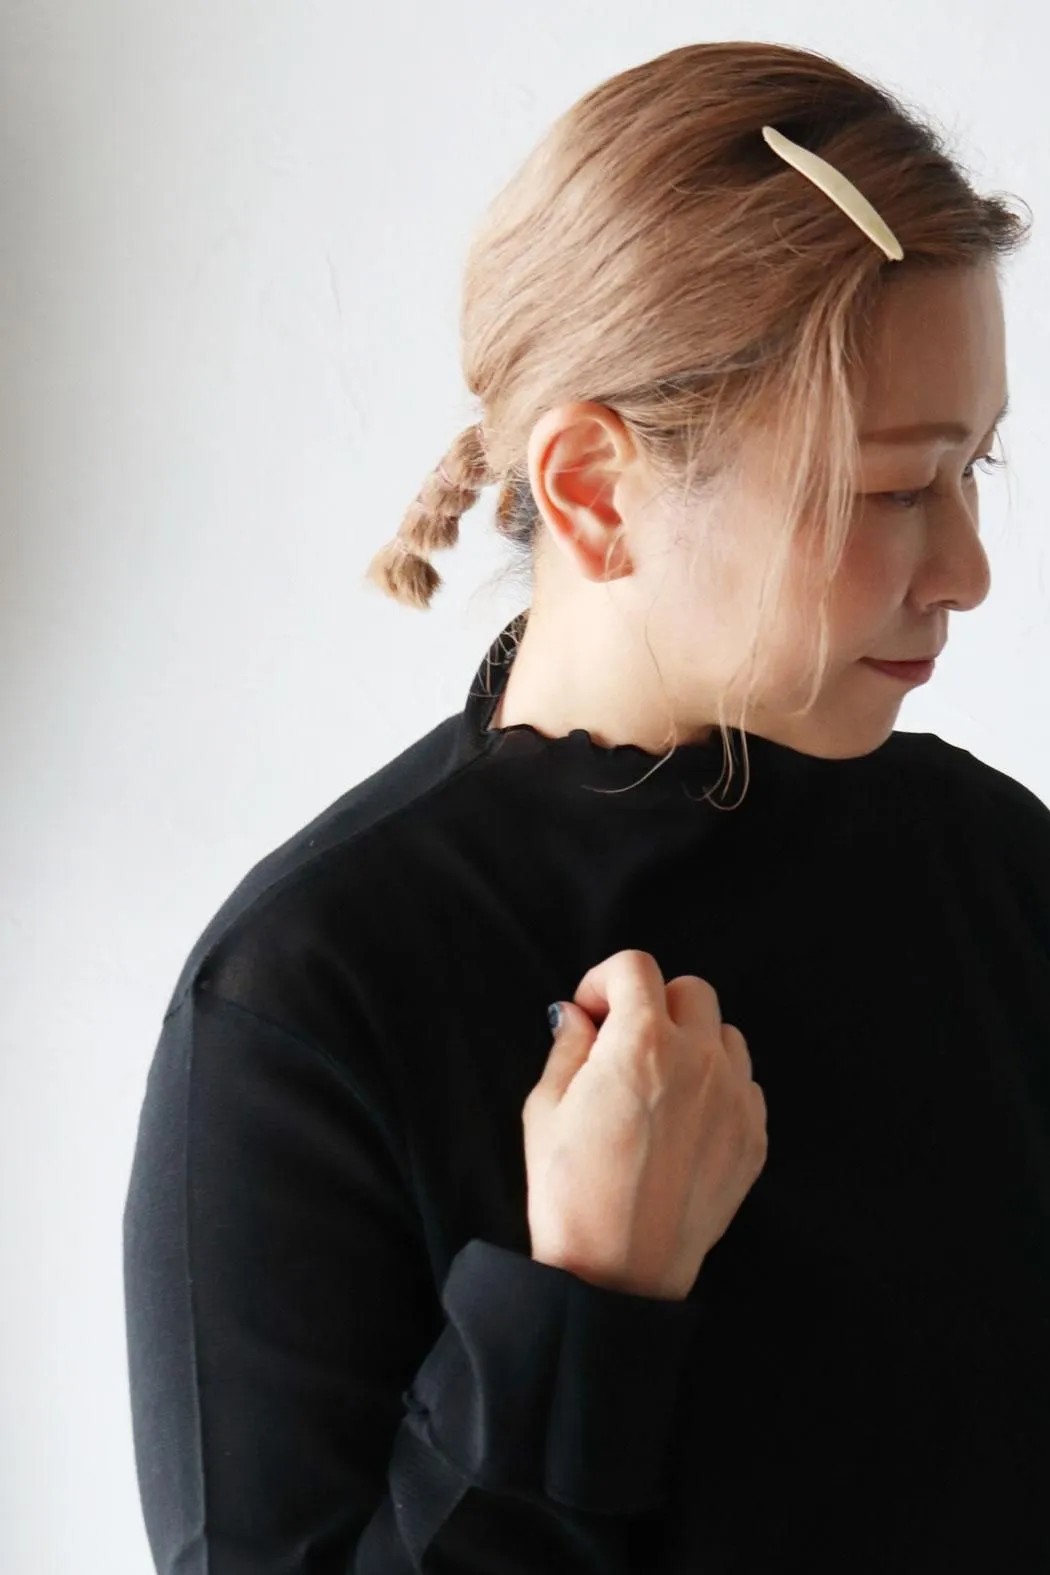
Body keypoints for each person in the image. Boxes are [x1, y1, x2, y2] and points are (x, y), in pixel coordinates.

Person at [122, 38, 1050, 1575]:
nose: (965, 570)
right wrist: (581, 1302)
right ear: (595, 490)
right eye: (894, 487)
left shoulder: (998, 872)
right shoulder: (306, 999)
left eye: (974, 470)